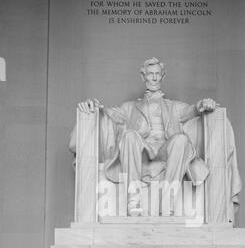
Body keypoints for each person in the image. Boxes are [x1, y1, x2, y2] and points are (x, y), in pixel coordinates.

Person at [69, 57, 217, 216]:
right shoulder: (129, 107)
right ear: (143, 76)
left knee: (181, 140)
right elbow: (107, 113)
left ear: (163, 76)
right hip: (142, 152)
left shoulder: (174, 106)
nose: (154, 78)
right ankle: (134, 200)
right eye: (150, 74)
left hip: (164, 150)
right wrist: (94, 106)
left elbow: (192, 110)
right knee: (129, 136)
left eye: (158, 74)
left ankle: (168, 202)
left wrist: (202, 104)